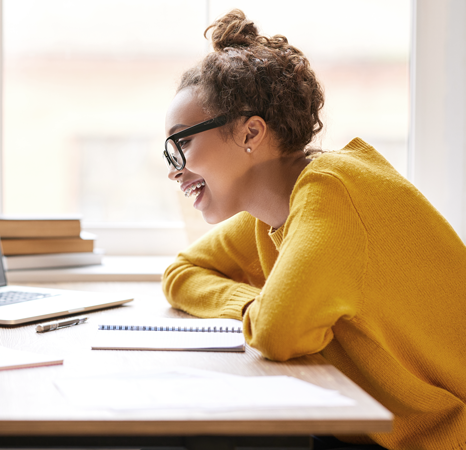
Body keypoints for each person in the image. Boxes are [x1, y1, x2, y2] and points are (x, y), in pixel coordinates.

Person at [161, 9, 466, 450]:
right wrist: (258, 302)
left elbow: (276, 332)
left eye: (182, 142)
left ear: (251, 133)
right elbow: (182, 273)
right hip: (374, 435)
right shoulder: (272, 214)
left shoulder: (331, 192)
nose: (174, 169)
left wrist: (271, 309)